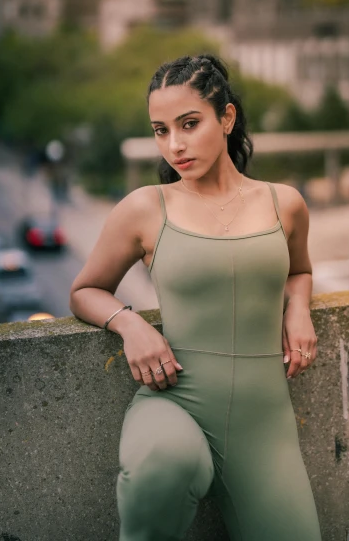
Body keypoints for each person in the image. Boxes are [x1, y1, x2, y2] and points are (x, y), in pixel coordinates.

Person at [69, 54, 322, 541]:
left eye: (189, 123)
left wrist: (299, 308)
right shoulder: (146, 207)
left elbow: (300, 269)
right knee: (162, 467)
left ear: (226, 118)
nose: (175, 145)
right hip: (175, 400)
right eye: (160, 130)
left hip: (264, 422)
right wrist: (131, 324)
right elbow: (85, 290)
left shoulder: (283, 202)